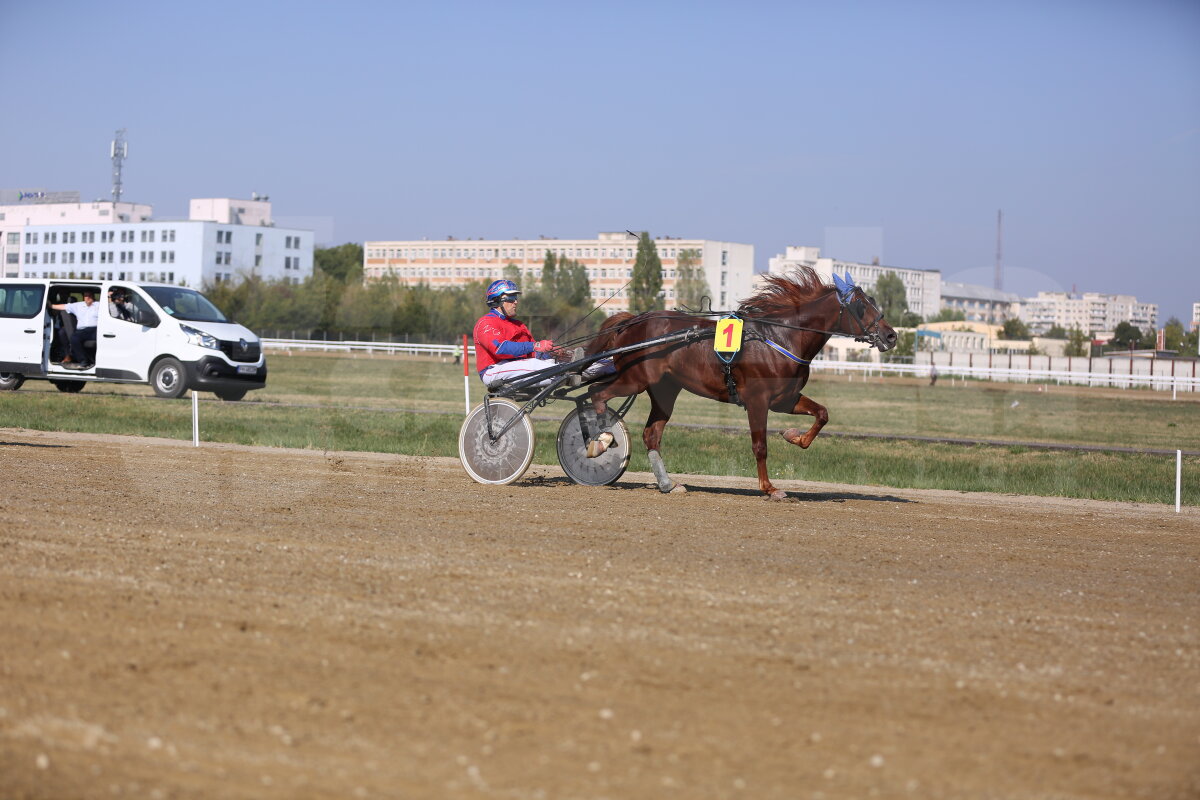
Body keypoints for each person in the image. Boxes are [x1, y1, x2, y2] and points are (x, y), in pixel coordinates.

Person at [473, 280, 561, 388]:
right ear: (497, 300)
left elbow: (531, 353)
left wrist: (550, 352)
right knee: (548, 368)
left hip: (517, 366)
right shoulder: (485, 323)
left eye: (515, 297)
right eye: (511, 298)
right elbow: (500, 349)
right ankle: (564, 373)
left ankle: (571, 372)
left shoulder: (519, 325)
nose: (515, 302)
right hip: (493, 370)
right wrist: (536, 345)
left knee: (554, 363)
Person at [50, 289, 100, 369]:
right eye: (86, 296)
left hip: (96, 329)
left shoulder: (99, 305)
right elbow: (64, 306)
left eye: (89, 295)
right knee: (74, 338)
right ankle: (83, 361)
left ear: (93, 296)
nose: (87, 298)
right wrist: (50, 305)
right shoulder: (78, 305)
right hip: (82, 330)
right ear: (83, 297)